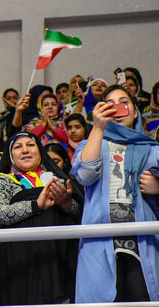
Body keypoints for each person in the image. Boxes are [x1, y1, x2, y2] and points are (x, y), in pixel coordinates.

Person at [70, 85, 159, 302]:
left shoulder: (152, 147)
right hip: (99, 240)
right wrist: (98, 128)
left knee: (144, 299)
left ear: (136, 111)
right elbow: (85, 174)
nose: (117, 109)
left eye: (123, 102)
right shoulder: (91, 143)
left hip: (144, 240)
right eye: (110, 105)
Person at [0, 131, 83, 304]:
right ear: (11, 155)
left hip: (58, 256)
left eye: (30, 145)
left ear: (39, 151)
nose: (25, 150)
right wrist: (35, 205)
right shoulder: (5, 181)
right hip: (20, 259)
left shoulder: (57, 180)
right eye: (18, 147)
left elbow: (80, 214)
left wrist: (67, 204)